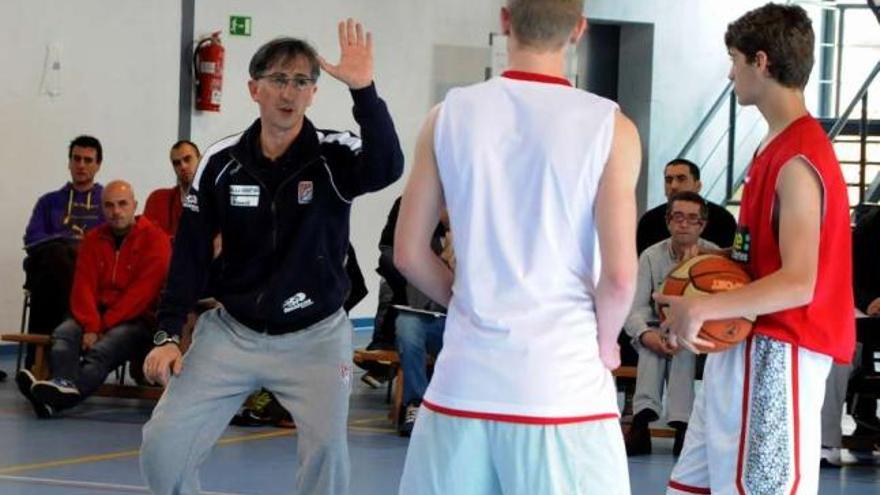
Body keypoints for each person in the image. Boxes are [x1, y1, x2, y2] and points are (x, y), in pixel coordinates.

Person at [139, 20, 403, 495]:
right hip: (233, 333)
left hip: (316, 337)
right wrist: (166, 333)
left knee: (327, 456)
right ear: (254, 88)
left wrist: (364, 91)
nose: (290, 91)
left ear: (313, 93)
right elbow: (190, 256)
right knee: (162, 447)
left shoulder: (333, 154)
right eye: (279, 80)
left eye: (302, 81)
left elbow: (387, 166)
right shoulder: (220, 162)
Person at [394, 1, 641, 493]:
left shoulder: (447, 116)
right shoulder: (610, 127)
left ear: (505, 20)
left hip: (463, 385)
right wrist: (608, 342)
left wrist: (465, 301)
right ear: (579, 30)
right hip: (562, 390)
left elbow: (408, 253)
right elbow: (619, 277)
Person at [656, 4, 855, 494]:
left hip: (779, 352)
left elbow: (799, 280)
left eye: (735, 59)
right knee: (692, 488)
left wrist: (704, 304)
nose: (730, 71)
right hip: (744, 344)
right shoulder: (772, 145)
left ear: (760, 62)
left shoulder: (799, 159)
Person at [16, 180, 170, 418]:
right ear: (102, 209)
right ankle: (57, 392)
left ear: (134, 205)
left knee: (103, 350)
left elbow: (141, 295)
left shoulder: (155, 240)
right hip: (92, 315)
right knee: (64, 335)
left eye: (122, 204)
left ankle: (56, 396)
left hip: (137, 321)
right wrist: (91, 325)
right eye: (109, 205)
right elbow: (83, 287)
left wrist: (101, 327)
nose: (116, 211)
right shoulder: (93, 239)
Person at [624, 191, 717, 456]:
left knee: (683, 345)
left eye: (692, 219)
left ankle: (682, 424)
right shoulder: (650, 257)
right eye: (678, 217)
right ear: (668, 221)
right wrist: (644, 335)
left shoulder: (714, 259)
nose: (684, 224)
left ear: (702, 224)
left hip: (701, 335)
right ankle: (643, 420)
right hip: (658, 328)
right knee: (652, 344)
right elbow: (635, 308)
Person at [22, 135, 106, 367]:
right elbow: (32, 239)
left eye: (88, 160)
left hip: (90, 274)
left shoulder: (107, 202)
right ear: (69, 162)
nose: (81, 165)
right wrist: (68, 242)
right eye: (76, 159)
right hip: (50, 268)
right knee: (56, 256)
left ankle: (39, 360)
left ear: (98, 165)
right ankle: (65, 350)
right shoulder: (48, 201)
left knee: (60, 264)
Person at [636, 158, 736, 254]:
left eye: (681, 179)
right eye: (668, 180)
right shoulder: (649, 221)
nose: (673, 186)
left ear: (698, 186)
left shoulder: (722, 220)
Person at [143, 140, 200, 238]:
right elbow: (148, 239)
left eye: (187, 159)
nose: (183, 166)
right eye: (177, 163)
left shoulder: (218, 198)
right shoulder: (158, 200)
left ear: (200, 160)